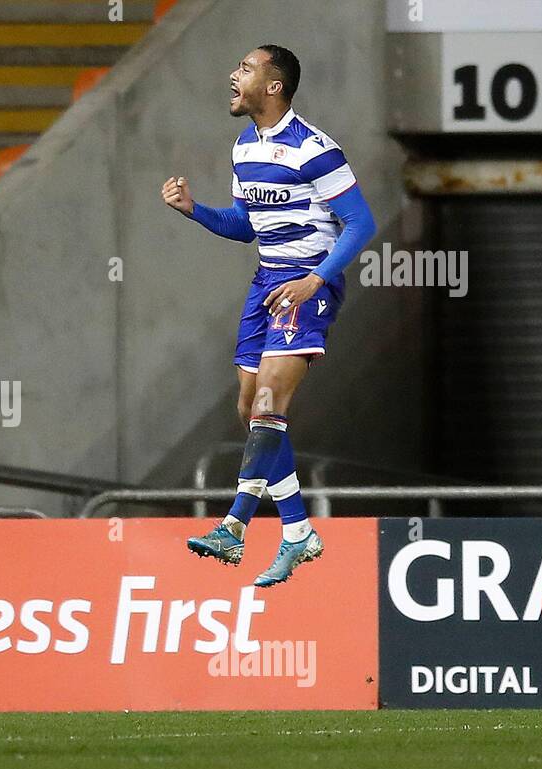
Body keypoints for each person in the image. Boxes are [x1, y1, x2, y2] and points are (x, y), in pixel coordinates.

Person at [163, 45, 377, 587]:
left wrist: (316, 279)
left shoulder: (315, 150)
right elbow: (244, 225)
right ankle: (299, 531)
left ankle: (233, 526)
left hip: (306, 285)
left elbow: (360, 223)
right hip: (266, 284)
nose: (232, 75)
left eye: (245, 69)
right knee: (248, 408)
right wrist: (195, 212)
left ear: (274, 85)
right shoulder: (243, 148)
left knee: (267, 403)